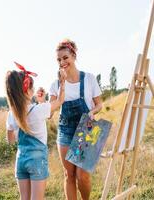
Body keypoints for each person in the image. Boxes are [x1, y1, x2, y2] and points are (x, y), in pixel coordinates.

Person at [49, 39, 102, 200]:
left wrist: (92, 112)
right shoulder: (56, 84)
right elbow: (50, 109)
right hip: (65, 130)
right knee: (69, 174)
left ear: (73, 55)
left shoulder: (89, 79)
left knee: (83, 175)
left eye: (65, 57)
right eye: (59, 59)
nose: (62, 62)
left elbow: (100, 104)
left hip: (87, 128)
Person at [6, 62, 66, 200]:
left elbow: (10, 140)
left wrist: (40, 102)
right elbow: (61, 100)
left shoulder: (12, 114)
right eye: (32, 88)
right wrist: (62, 82)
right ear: (27, 91)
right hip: (37, 162)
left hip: (20, 160)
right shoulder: (40, 110)